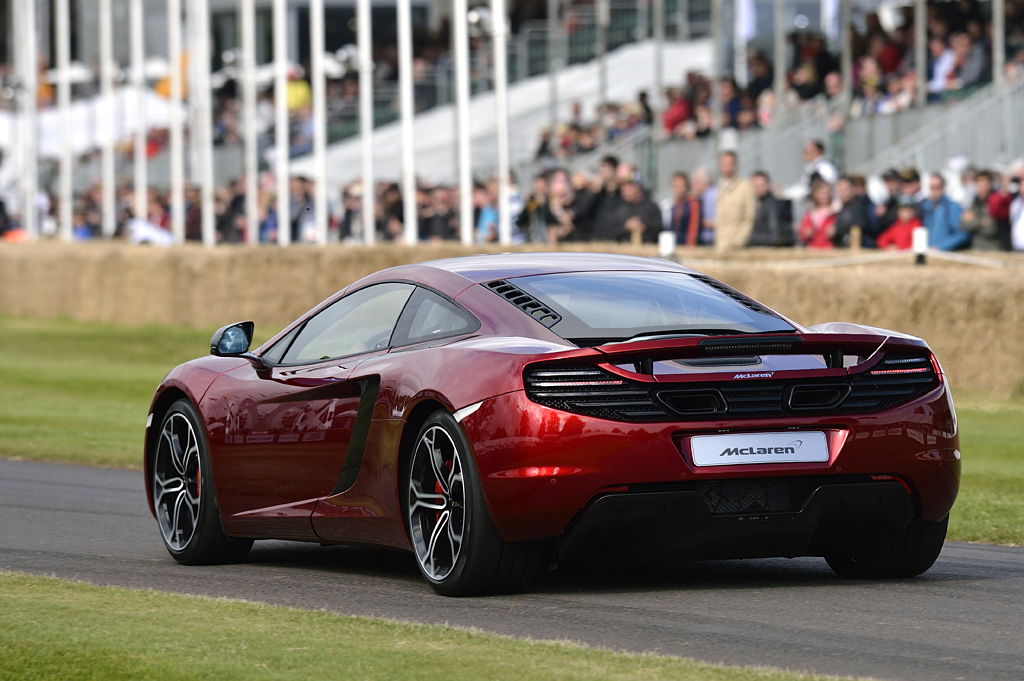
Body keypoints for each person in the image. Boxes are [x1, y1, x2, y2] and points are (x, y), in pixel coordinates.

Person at [713, 151, 756, 251]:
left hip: (737, 246)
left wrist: (739, 241)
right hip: (720, 245)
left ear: (736, 165)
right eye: (724, 164)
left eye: (730, 164)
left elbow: (749, 217)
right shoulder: (719, 187)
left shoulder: (745, 187)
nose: (727, 167)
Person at [958, 171, 1003, 251]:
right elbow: (963, 225)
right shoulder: (974, 203)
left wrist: (973, 220)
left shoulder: (996, 202)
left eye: (985, 185)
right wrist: (981, 222)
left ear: (991, 185)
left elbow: (991, 229)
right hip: (976, 249)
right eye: (980, 185)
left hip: (993, 250)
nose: (983, 189)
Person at [747, 171, 793, 247]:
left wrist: (749, 238)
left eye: (761, 186)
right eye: (756, 186)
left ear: (768, 185)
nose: (759, 189)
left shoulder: (772, 205)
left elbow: (774, 236)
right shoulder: (755, 202)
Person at [832, 175, 876, 247]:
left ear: (853, 189)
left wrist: (836, 228)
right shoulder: (844, 206)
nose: (842, 193)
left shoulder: (860, 204)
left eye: (845, 190)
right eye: (840, 190)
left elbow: (858, 223)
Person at [662, 172, 703, 247]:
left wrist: (690, 247)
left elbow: (693, 231)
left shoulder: (692, 204)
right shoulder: (670, 205)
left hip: (686, 248)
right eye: (676, 186)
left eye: (681, 186)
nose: (678, 190)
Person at [798, 180, 837, 249]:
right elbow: (803, 231)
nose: (825, 196)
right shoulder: (811, 213)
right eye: (822, 193)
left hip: (829, 248)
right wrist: (806, 232)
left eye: (827, 193)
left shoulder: (835, 210)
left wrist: (835, 230)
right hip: (813, 248)